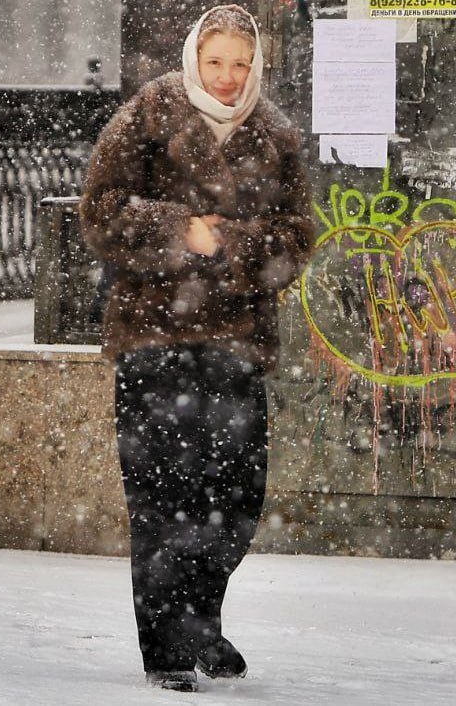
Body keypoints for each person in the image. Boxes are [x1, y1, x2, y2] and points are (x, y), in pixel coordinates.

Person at [80, 4, 312, 692]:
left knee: (235, 499)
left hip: (236, 342)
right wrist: (179, 228)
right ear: (194, 59)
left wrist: (228, 242)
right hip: (155, 337)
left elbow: (298, 235)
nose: (230, 77)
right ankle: (169, 649)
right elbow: (100, 213)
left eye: (241, 63)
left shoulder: (274, 133)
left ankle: (199, 622)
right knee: (161, 498)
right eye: (216, 62)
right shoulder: (149, 114)